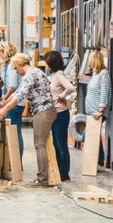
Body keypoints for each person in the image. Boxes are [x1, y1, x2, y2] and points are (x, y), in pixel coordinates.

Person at [0, 53, 56, 188]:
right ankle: (43, 177)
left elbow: (20, 95)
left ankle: (42, 179)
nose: (16, 71)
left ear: (19, 65)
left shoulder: (30, 74)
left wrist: (4, 109)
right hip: (45, 110)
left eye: (16, 68)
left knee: (39, 144)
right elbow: (18, 93)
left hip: (43, 110)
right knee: (41, 144)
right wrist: (6, 103)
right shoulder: (35, 72)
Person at [43, 50, 75, 181]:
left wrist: (61, 97)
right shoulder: (55, 75)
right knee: (56, 143)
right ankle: (59, 171)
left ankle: (64, 173)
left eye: (46, 62)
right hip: (55, 113)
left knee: (61, 144)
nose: (45, 65)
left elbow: (71, 88)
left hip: (61, 114)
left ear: (52, 63)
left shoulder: (59, 75)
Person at [0, 42, 25, 158]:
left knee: (14, 133)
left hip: (14, 104)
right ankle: (14, 161)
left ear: (6, 52)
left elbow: (12, 86)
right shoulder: (7, 65)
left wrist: (5, 99)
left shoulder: (10, 66)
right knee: (14, 132)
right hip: (14, 103)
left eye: (0, 51)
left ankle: (17, 161)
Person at [84, 50, 111, 165]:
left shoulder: (103, 74)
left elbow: (105, 91)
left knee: (91, 136)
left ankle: (99, 162)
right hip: (91, 111)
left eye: (90, 60)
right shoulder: (95, 74)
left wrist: (101, 110)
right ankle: (97, 162)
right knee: (94, 137)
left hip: (97, 112)